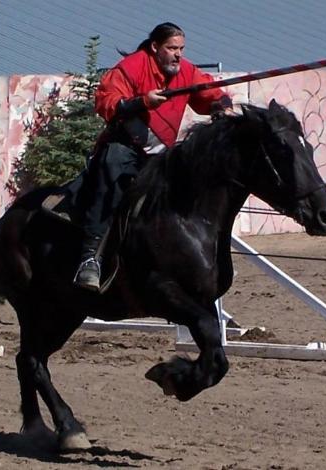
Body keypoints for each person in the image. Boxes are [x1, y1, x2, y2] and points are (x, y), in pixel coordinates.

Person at [74, 22, 234, 290]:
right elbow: (105, 102)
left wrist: (221, 106)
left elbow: (211, 94)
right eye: (172, 48)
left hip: (160, 157)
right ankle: (90, 259)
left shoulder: (187, 72)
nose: (178, 55)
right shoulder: (133, 66)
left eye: (181, 49)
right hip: (123, 149)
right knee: (110, 180)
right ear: (155, 47)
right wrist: (142, 102)